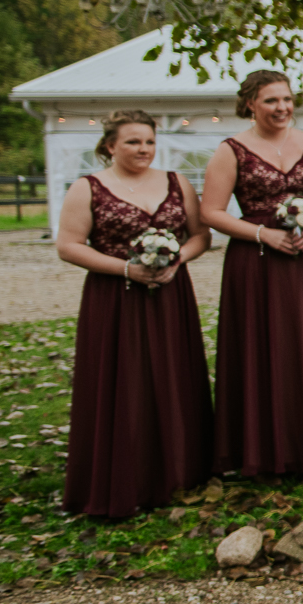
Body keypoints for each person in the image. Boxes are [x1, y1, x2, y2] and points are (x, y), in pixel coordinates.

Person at [56, 111, 213, 519]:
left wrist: (178, 260)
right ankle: (126, 476)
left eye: (148, 141)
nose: (143, 149)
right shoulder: (87, 187)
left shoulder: (176, 182)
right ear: (110, 145)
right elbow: (69, 246)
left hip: (170, 296)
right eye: (132, 142)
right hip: (115, 298)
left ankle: (179, 472)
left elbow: (200, 236)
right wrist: (126, 268)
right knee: (124, 382)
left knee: (172, 376)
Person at [201, 71, 303, 475]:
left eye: (287, 99)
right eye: (271, 101)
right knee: (262, 347)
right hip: (256, 262)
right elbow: (211, 212)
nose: (282, 108)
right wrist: (262, 234)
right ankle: (262, 449)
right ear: (250, 103)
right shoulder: (231, 150)